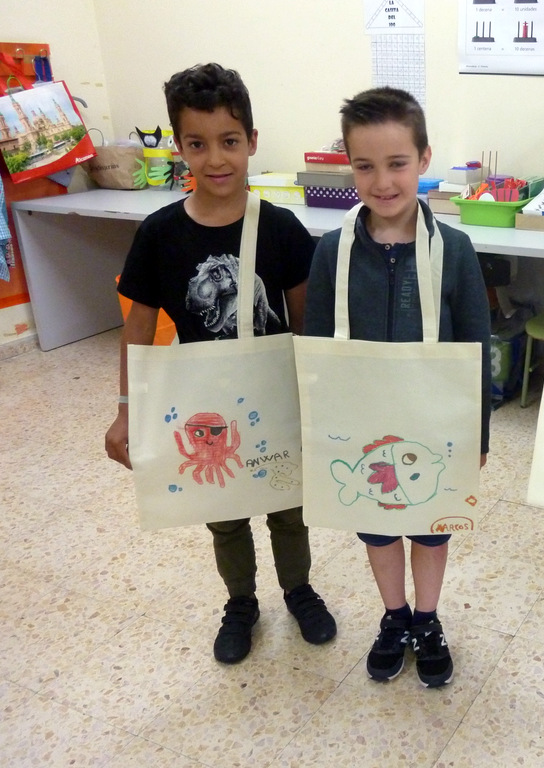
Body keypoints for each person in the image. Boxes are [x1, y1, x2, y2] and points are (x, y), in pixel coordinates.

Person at [104, 63, 337, 664]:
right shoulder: (159, 235)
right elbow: (137, 327)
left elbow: (306, 323)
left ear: (252, 141)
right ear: (180, 148)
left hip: (277, 397)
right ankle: (240, 602)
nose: (215, 159)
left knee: (289, 506)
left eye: (229, 141)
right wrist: (127, 410)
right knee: (223, 512)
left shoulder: (281, 229)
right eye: (198, 144)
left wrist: (320, 401)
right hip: (205, 404)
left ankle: (299, 589)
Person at [303, 87, 491, 688]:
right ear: (349, 166)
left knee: (431, 526)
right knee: (378, 526)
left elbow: (476, 346)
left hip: (434, 423)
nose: (382, 181)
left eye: (397, 163)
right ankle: (395, 616)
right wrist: (316, 431)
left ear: (424, 159)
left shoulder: (454, 249)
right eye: (365, 166)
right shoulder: (331, 252)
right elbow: (316, 346)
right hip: (361, 426)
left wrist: (478, 435)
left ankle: (428, 620)